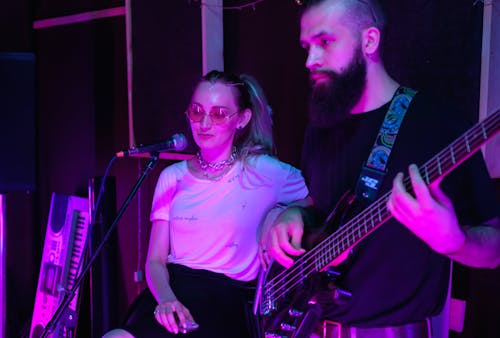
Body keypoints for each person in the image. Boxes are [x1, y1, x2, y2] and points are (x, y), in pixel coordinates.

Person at [261, 0, 500, 337]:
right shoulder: (321, 127)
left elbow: (494, 249)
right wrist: (290, 215)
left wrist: (456, 243)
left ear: (369, 41)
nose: (310, 60)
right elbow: (320, 206)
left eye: (325, 42)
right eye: (307, 47)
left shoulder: (438, 123)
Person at [103, 70, 310, 338]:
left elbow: (314, 203)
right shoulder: (172, 177)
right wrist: (167, 301)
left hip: (224, 303)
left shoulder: (266, 173)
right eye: (197, 111)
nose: (204, 123)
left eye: (219, 114)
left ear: (242, 119)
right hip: (171, 295)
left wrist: (280, 213)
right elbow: (155, 260)